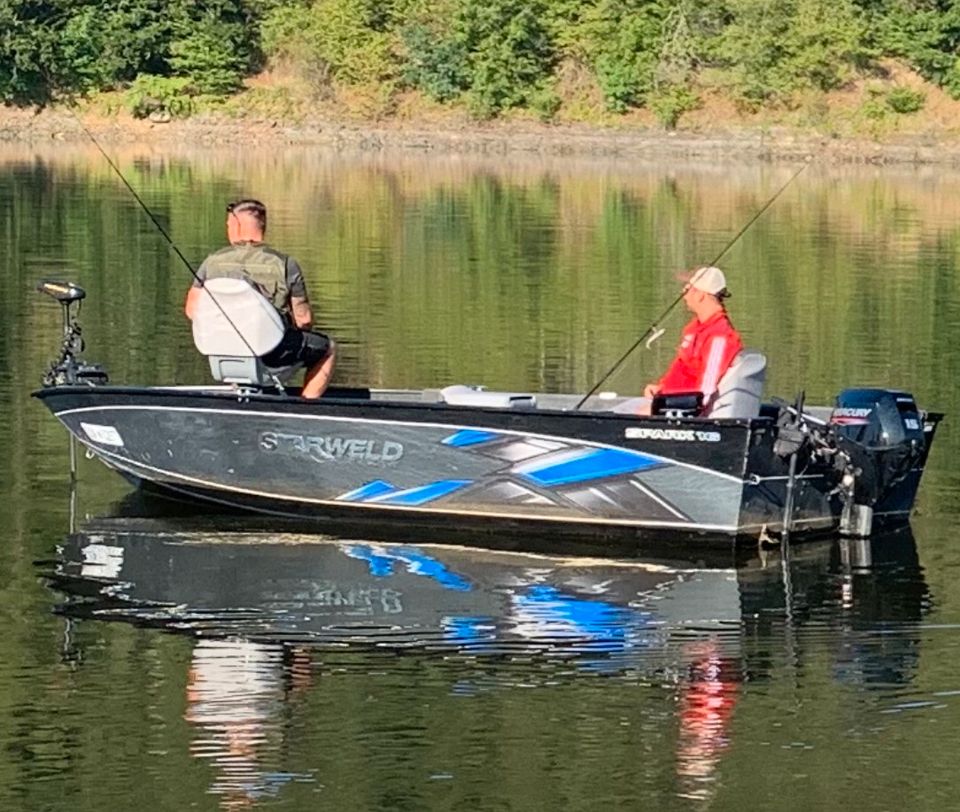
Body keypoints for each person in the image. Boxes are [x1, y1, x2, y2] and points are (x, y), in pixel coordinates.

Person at [184, 199, 336, 399]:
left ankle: (240, 397)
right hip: (271, 352)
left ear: (237, 225)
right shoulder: (285, 264)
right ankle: (305, 408)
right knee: (328, 348)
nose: (228, 230)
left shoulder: (212, 262)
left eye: (228, 225)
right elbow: (304, 320)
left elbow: (192, 310)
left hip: (222, 350)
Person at [642, 266, 742, 413]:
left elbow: (705, 393)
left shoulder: (719, 338)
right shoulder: (695, 329)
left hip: (683, 412)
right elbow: (682, 367)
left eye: (687, 289)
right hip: (669, 401)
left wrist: (661, 408)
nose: (683, 294)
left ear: (701, 295)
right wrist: (661, 389)